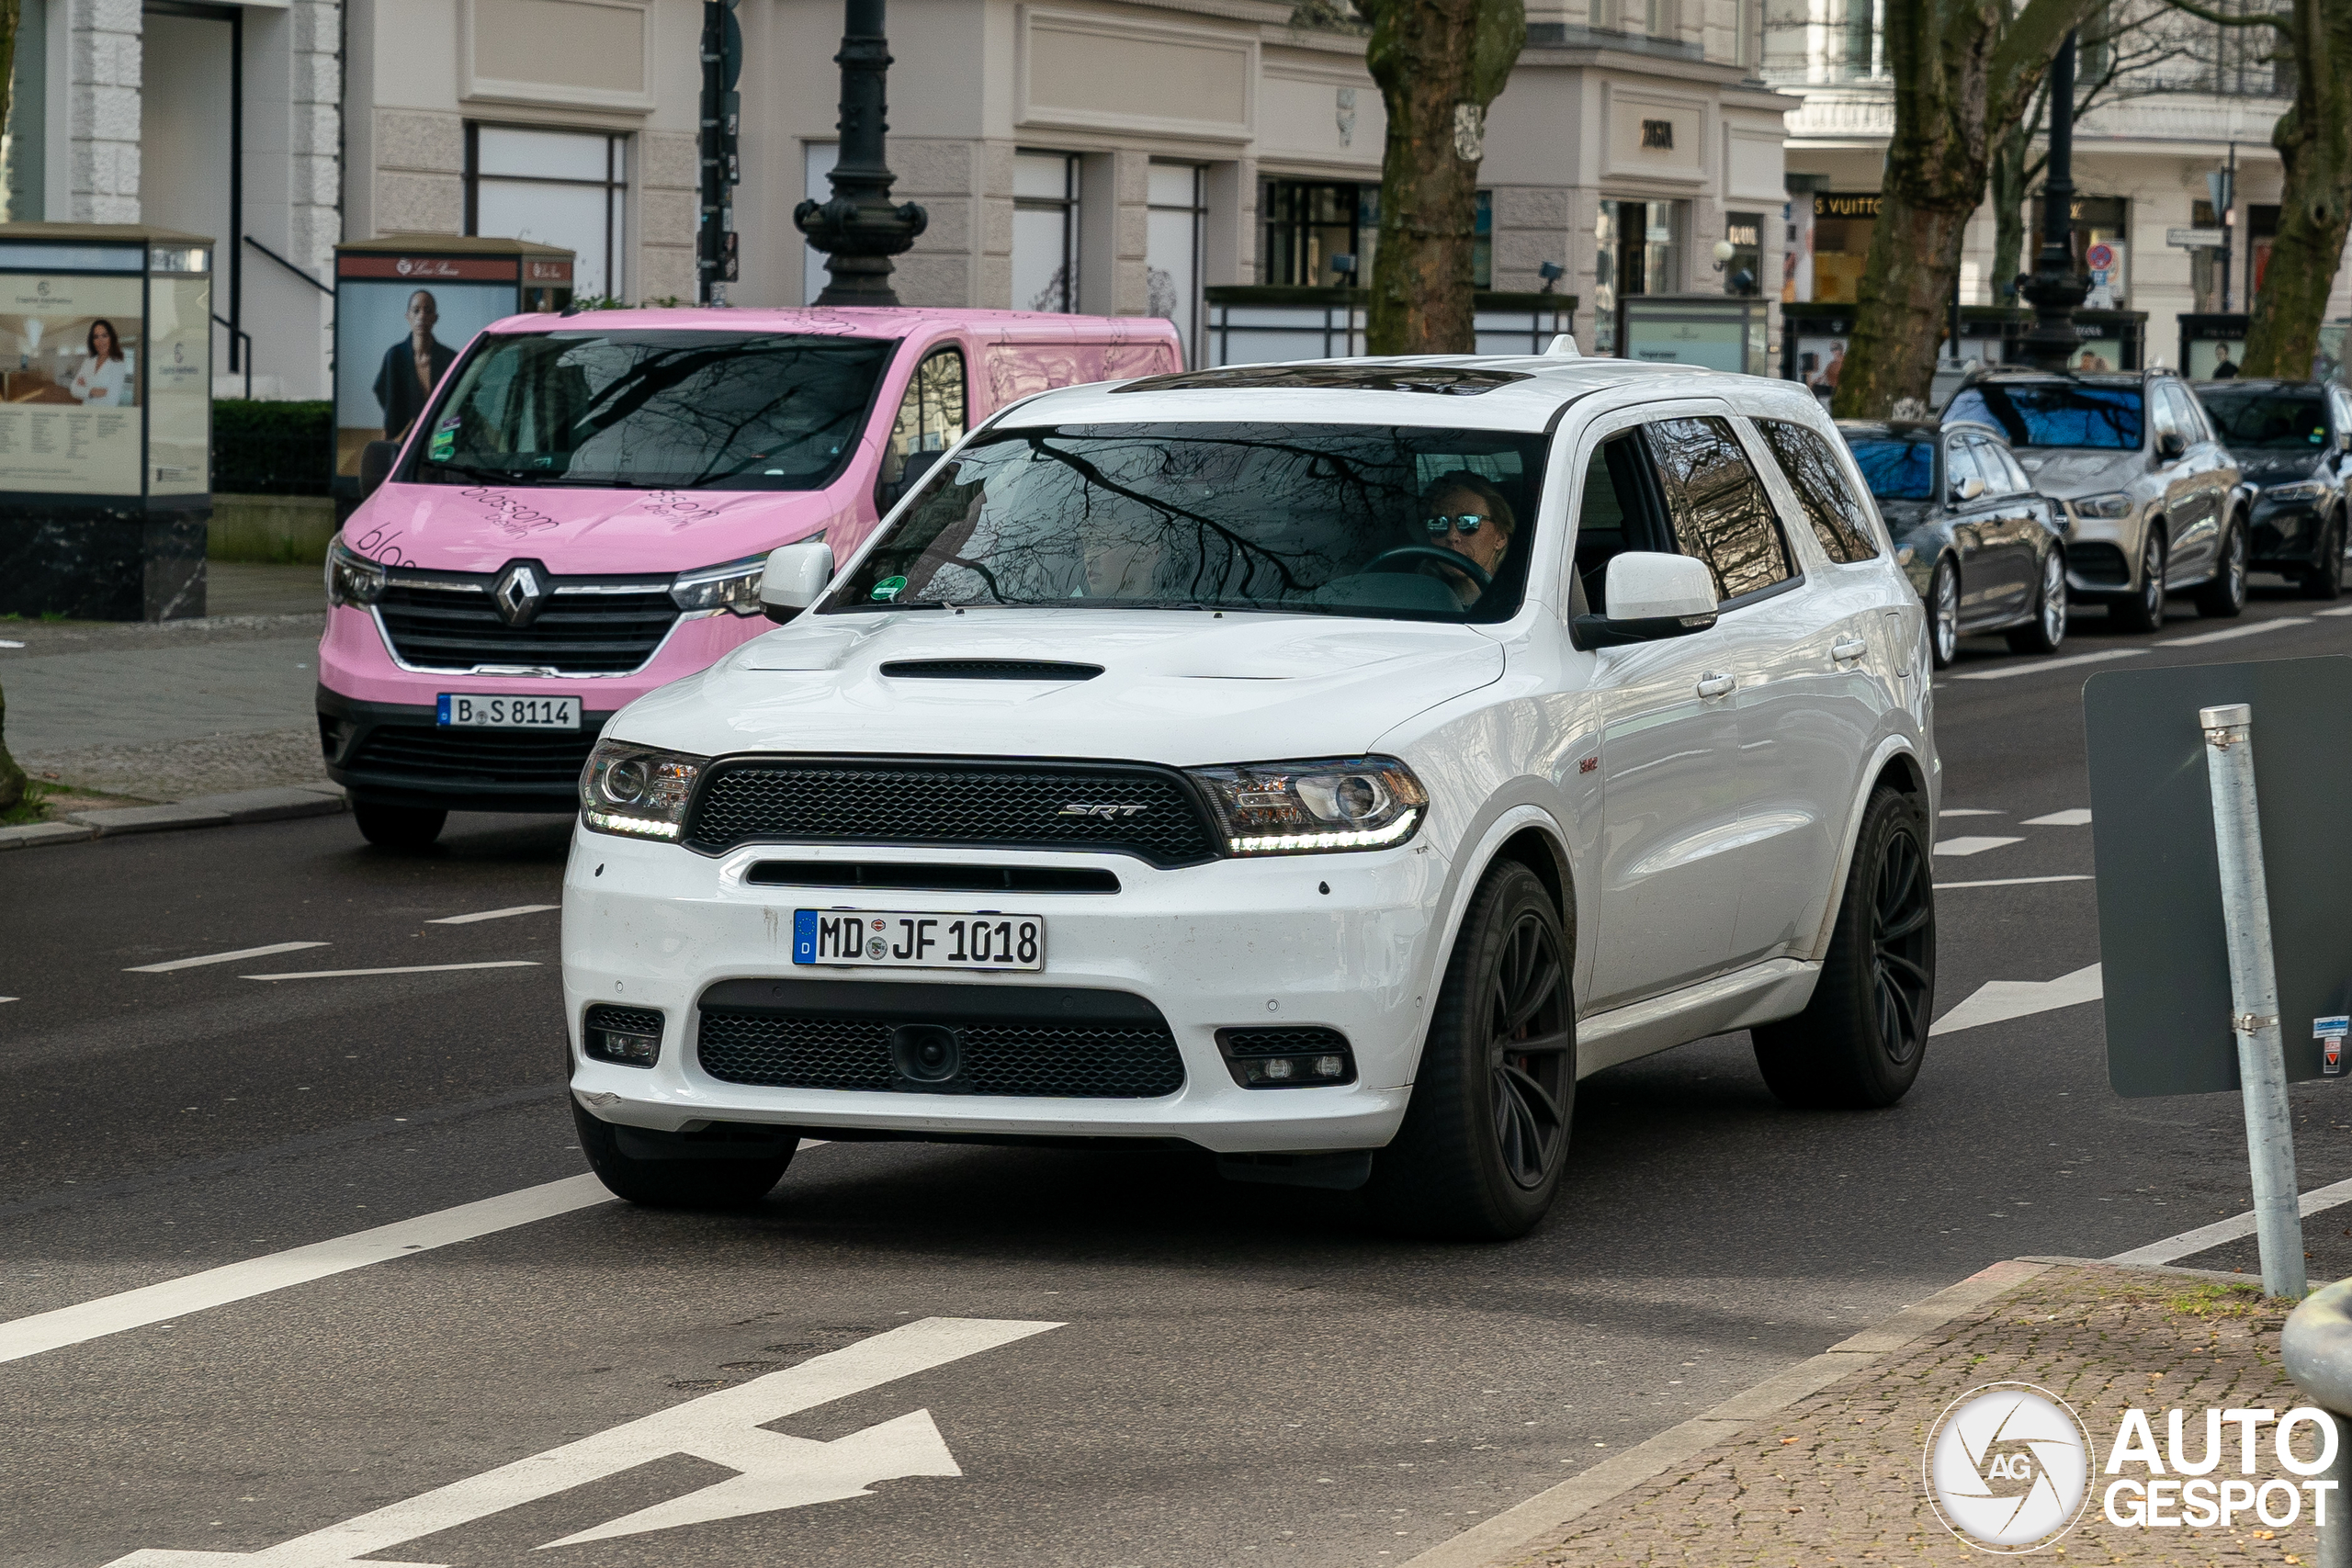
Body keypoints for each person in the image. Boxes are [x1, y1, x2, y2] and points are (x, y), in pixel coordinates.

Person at [1417, 472, 1518, 610]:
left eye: (1468, 523)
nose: (1452, 536)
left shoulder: (1520, 605)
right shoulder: (1416, 601)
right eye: (1438, 524)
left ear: (1500, 538)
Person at [373, 289, 457, 442]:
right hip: (404, 437)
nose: (422, 316)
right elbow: (383, 392)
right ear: (408, 317)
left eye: (428, 311)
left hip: (440, 437)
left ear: (435, 318)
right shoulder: (395, 356)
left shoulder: (450, 359)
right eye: (416, 310)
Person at [68, 320, 131, 406]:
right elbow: (73, 389)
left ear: (111, 338)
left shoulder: (118, 364)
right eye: (96, 337)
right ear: (92, 341)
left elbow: (112, 401)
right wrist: (92, 391)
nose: (100, 341)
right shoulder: (88, 361)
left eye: (104, 336)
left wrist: (85, 388)